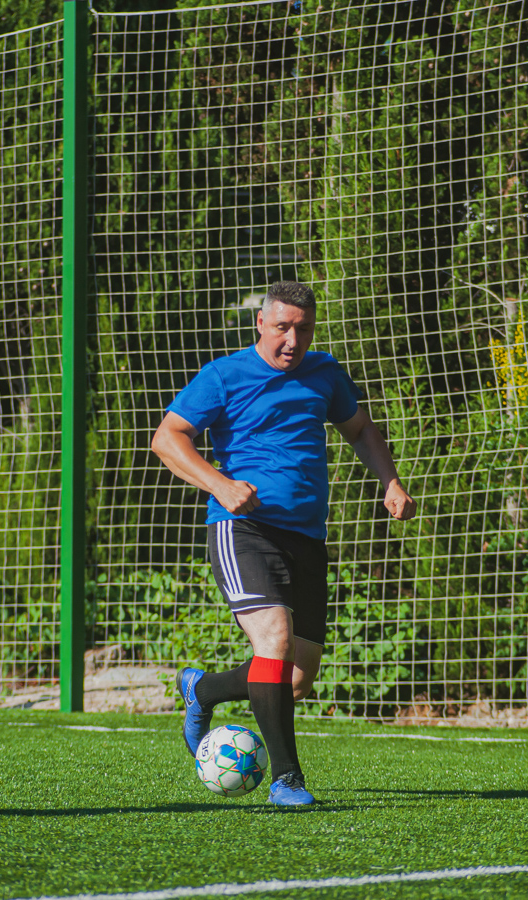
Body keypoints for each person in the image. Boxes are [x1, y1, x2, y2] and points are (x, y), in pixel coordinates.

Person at [152, 280, 415, 807]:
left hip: (307, 538)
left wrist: (390, 481)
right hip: (243, 530)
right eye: (282, 328)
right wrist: (221, 485)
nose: (292, 340)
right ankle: (287, 780)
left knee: (293, 680)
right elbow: (167, 438)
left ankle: (202, 689)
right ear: (261, 323)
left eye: (303, 329)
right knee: (273, 640)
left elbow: (360, 430)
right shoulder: (224, 376)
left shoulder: (325, 374)